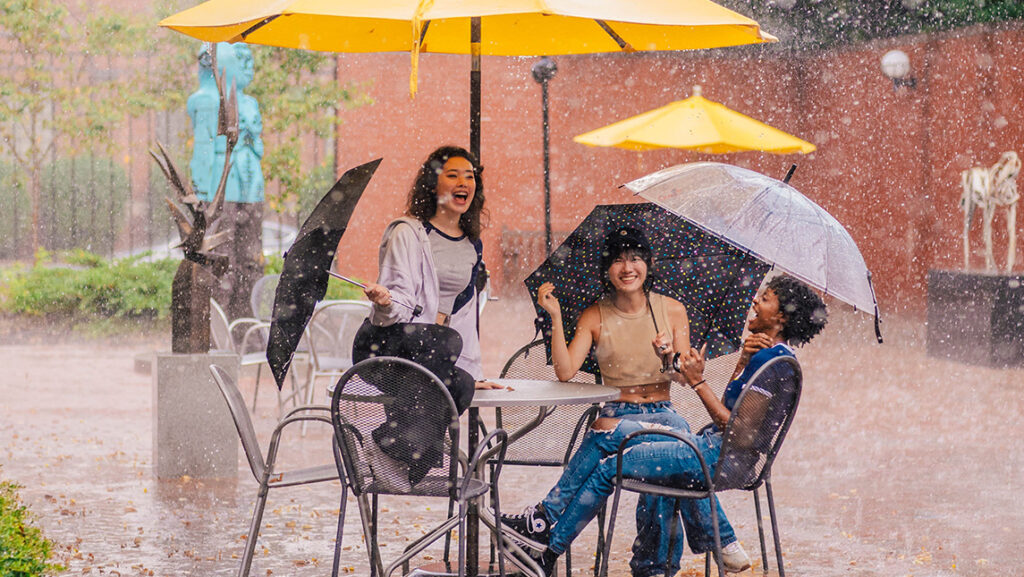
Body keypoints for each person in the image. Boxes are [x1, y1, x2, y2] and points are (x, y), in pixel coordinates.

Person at [502, 274, 828, 576]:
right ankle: (711, 544)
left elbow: (740, 433)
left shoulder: (770, 362)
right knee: (612, 432)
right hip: (715, 453)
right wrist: (742, 359)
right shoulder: (767, 355)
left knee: (609, 466)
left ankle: (548, 552)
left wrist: (699, 383)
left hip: (716, 457)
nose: (756, 301)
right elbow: (734, 407)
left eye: (766, 299)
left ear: (782, 317)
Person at [507, 226, 738, 577]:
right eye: (618, 260)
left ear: (648, 264)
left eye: (635, 259)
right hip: (618, 412)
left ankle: (545, 529)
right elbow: (566, 372)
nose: (627, 268)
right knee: (675, 460)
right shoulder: (594, 315)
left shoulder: (672, 310)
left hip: (661, 412)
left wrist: (668, 357)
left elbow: (680, 374)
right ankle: (672, 560)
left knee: (669, 455)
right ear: (606, 271)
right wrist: (554, 318)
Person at [354, 145, 501, 491]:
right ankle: (386, 445)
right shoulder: (408, 233)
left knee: (460, 385)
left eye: (470, 176)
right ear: (433, 184)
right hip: (384, 347)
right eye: (453, 175)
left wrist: (471, 371)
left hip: (430, 357)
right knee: (442, 338)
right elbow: (401, 301)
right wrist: (384, 302)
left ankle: (393, 459)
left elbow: (464, 316)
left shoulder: (471, 246)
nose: (464, 182)